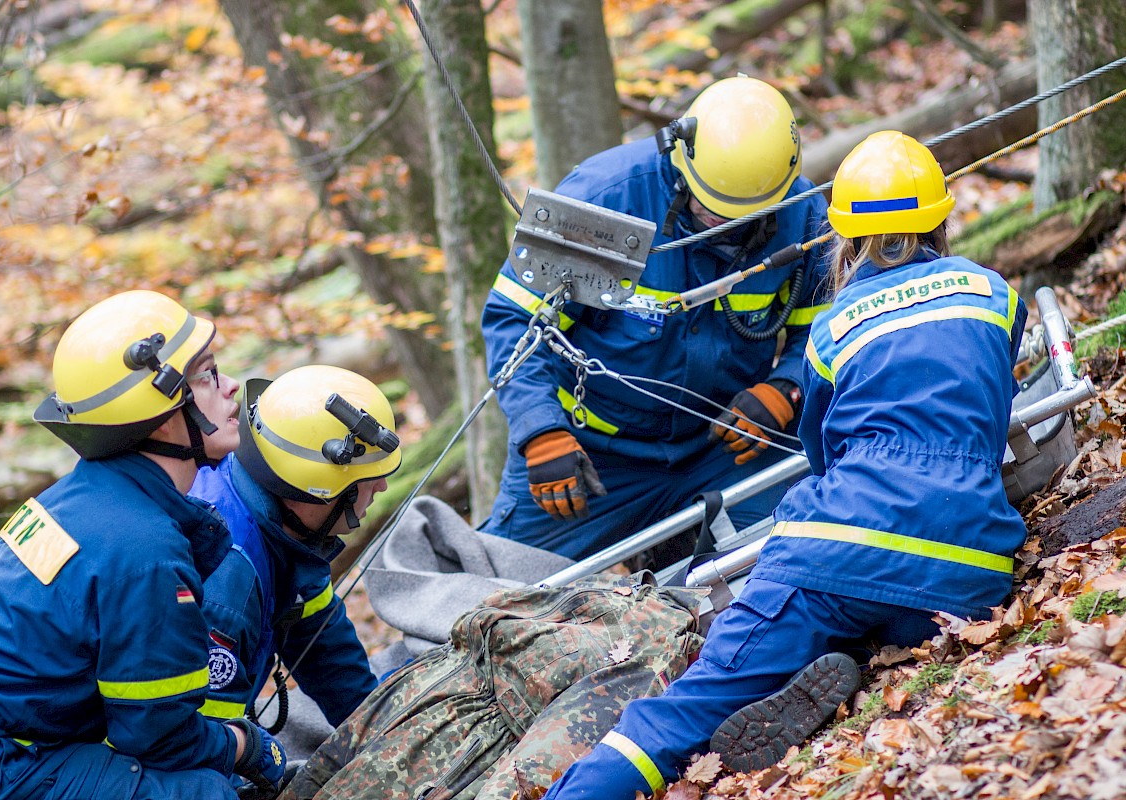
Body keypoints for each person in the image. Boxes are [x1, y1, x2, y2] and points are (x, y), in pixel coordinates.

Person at [542, 131, 1029, 799]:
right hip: (971, 567)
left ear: (847, 239)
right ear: (942, 218)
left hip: (840, 550)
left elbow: (823, 455)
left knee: (681, 709)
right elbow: (993, 406)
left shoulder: (834, 328)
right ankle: (848, 663)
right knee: (894, 616)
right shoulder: (994, 294)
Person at [0, 290, 287, 799]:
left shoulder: (82, 496)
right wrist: (246, 745)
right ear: (161, 413)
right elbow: (158, 736)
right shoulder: (144, 550)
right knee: (204, 793)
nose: (230, 388)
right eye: (207, 375)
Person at [480, 76, 832, 560]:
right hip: (590, 452)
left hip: (723, 446)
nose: (722, 225)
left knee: (804, 546)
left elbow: (828, 324)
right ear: (680, 154)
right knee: (498, 586)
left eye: (741, 215)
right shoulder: (603, 196)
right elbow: (513, 320)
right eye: (711, 209)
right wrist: (540, 431)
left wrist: (788, 386)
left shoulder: (803, 211)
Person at [190, 365, 401, 732]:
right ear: (318, 489)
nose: (381, 487)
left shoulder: (292, 539)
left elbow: (327, 653)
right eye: (369, 477)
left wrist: (385, 735)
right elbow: (201, 744)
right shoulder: (227, 578)